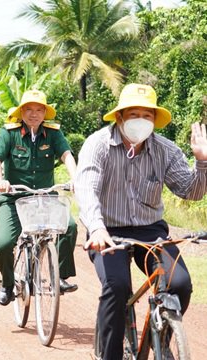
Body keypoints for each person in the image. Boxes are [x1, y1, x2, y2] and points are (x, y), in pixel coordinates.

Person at [75, 83, 207, 360]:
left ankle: (162, 338)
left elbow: (190, 191)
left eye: (147, 116)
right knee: (117, 286)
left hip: (150, 229)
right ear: (120, 117)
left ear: (154, 120)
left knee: (179, 283)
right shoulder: (98, 145)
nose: (141, 121)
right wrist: (97, 228)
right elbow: (86, 189)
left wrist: (202, 161)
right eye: (133, 114)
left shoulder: (165, 150)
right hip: (107, 230)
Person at [0, 90, 79, 306]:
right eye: (29, 109)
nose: (34, 113)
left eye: (39, 109)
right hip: (14, 199)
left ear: (45, 113)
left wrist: (76, 177)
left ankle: (61, 278)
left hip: (44, 198)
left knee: (70, 226)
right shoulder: (8, 133)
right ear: (21, 112)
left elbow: (66, 155)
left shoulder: (53, 133)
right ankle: (8, 284)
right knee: (3, 245)